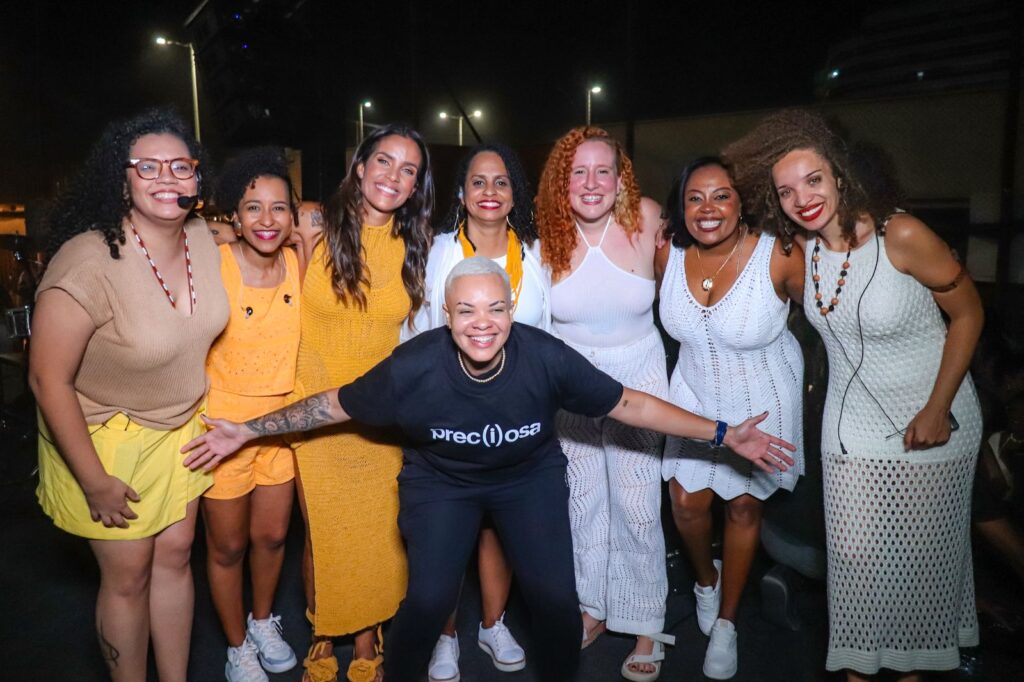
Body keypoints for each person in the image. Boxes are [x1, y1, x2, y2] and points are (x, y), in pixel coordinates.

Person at [181, 256, 797, 682]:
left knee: (555, 601)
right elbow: (333, 404)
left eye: (496, 308)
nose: (483, 323)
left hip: (526, 478)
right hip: (441, 483)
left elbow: (629, 404)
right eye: (467, 311)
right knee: (427, 599)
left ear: (511, 311)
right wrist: (248, 430)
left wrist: (723, 434)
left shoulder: (545, 357)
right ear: (447, 316)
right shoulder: (414, 366)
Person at [725, 109, 984, 681]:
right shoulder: (805, 251)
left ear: (840, 174)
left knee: (917, 571)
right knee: (854, 563)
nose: (803, 199)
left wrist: (938, 408)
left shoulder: (901, 235)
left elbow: (968, 314)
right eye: (786, 191)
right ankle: (860, 669)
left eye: (813, 180)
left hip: (933, 421)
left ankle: (911, 671)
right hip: (850, 429)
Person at [29, 108, 229, 682]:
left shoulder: (202, 237)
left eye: (181, 166)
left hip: (181, 429)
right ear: (121, 178)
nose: (167, 178)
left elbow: (278, 221)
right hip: (104, 439)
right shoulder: (88, 261)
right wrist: (93, 480)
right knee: (129, 577)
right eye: (148, 166)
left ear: (197, 176)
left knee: (175, 560)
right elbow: (46, 380)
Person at [292, 123, 433, 682]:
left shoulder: (416, 247)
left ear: (416, 186)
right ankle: (322, 629)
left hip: (379, 410)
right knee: (322, 530)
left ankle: (367, 635)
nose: (393, 176)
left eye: (408, 170)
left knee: (377, 532)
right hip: (313, 406)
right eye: (384, 161)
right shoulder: (313, 225)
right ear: (360, 166)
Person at [404, 143, 549, 681]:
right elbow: (417, 329)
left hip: (515, 413)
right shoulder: (435, 250)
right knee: (444, 531)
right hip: (445, 409)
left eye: (501, 181)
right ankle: (445, 637)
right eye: (478, 182)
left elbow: (546, 334)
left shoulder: (536, 254)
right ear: (462, 194)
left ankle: (492, 623)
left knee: (498, 525)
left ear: (515, 194)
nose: (490, 191)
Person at [655, 157, 805, 679]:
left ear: (743, 203)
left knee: (742, 507)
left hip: (761, 395)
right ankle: (706, 580)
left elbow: (831, 318)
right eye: (695, 198)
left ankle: (727, 622)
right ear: (681, 206)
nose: (708, 208)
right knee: (686, 502)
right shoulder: (668, 253)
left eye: (721, 195)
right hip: (693, 393)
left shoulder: (779, 254)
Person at [535, 126, 670, 681]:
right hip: (574, 385)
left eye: (603, 171)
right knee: (583, 503)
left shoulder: (648, 220)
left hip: (641, 377)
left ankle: (646, 622)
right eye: (578, 172)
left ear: (620, 179)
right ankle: (592, 607)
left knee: (637, 507)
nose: (591, 183)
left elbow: (685, 291)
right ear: (562, 182)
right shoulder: (546, 239)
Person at [203, 147, 301, 682]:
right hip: (220, 431)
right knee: (228, 546)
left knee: (272, 538)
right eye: (253, 207)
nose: (267, 219)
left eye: (278, 207)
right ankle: (236, 645)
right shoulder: (213, 262)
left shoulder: (299, 263)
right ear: (235, 216)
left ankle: (262, 622)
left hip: (280, 429)